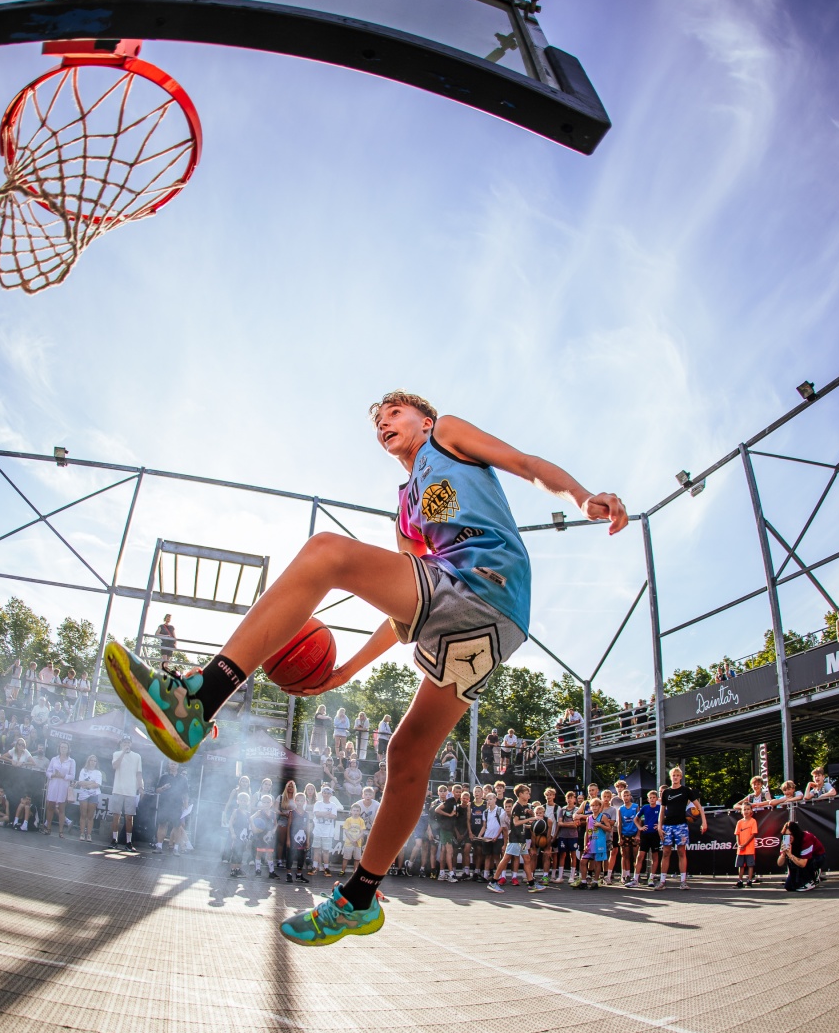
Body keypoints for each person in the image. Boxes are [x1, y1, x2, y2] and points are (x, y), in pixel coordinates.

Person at [104, 387, 626, 945]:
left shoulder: (448, 436)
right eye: (378, 421)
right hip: (481, 626)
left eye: (395, 413)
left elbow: (523, 463)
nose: (384, 424)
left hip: (486, 582)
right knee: (406, 755)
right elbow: (408, 611)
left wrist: (580, 496)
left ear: (425, 420)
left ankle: (201, 698)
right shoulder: (407, 513)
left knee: (327, 552)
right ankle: (359, 898)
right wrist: (347, 671)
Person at [656, 767, 706, 890]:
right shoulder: (666, 792)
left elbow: (699, 806)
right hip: (667, 826)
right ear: (671, 777)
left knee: (681, 852)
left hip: (681, 825)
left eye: (677, 775)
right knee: (666, 852)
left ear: (681, 777)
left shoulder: (686, 790)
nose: (675, 777)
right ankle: (662, 882)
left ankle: (683, 881)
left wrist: (704, 822)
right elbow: (662, 811)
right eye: (673, 775)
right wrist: (659, 826)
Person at [490, 783, 533, 890]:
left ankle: (532, 884)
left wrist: (532, 824)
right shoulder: (517, 807)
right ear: (520, 794)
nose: (529, 795)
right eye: (526, 793)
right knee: (506, 859)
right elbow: (516, 823)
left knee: (527, 859)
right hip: (515, 838)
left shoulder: (523, 807)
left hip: (521, 838)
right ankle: (493, 882)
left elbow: (522, 824)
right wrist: (530, 819)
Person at [109, 734, 143, 848]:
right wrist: (123, 752)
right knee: (116, 815)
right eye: (124, 742)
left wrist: (141, 787)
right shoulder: (116, 754)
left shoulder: (137, 756)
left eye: (128, 742)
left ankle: (128, 842)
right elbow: (115, 766)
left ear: (131, 744)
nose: (126, 744)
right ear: (121, 744)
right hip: (118, 789)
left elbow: (139, 773)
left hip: (131, 790)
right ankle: (114, 840)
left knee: (129, 817)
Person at [777, 822, 824, 892]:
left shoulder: (806, 838)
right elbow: (779, 863)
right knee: (789, 886)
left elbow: (803, 864)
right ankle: (805, 877)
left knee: (802, 880)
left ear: (796, 833)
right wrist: (783, 854)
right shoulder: (785, 841)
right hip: (799, 858)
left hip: (816, 857)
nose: (789, 837)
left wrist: (790, 855)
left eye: (791, 834)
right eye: (787, 835)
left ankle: (813, 876)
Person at [43, 740, 76, 836]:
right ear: (59, 748)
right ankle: (48, 828)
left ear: (68, 749)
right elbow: (48, 772)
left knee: (61, 809)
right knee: (50, 807)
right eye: (62, 747)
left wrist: (63, 776)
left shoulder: (71, 761)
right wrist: (53, 775)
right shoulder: (54, 759)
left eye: (65, 747)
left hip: (63, 787)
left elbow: (72, 776)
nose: (63, 749)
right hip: (53, 785)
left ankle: (61, 831)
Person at [154, 761, 188, 853]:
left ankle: (176, 848)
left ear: (178, 766)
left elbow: (185, 793)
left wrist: (186, 805)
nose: (173, 765)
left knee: (177, 826)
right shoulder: (164, 777)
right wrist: (163, 788)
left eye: (175, 764)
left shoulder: (183, 779)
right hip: (164, 804)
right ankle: (159, 847)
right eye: (171, 764)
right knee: (162, 824)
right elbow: (157, 790)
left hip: (177, 805)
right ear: (169, 765)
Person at [617, 789, 642, 886]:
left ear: (630, 796)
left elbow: (639, 820)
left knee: (636, 855)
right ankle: (627, 875)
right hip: (625, 834)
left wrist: (638, 834)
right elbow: (619, 823)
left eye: (627, 795)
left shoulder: (635, 807)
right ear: (622, 797)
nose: (626, 797)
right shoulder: (620, 809)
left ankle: (636, 875)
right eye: (624, 796)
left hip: (634, 833)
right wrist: (620, 837)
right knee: (626, 855)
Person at [75, 753, 103, 840]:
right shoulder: (83, 770)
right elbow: (80, 782)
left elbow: (97, 784)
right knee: (83, 814)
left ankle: (89, 834)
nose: (93, 762)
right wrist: (91, 782)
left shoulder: (98, 772)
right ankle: (82, 833)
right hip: (83, 795)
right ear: (88, 761)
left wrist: (87, 785)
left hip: (94, 794)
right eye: (91, 760)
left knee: (90, 816)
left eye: (95, 761)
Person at [734, 802, 758, 888]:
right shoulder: (739, 822)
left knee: (750, 865)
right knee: (740, 865)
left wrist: (745, 844)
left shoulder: (753, 821)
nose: (746, 811)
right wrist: (739, 844)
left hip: (749, 848)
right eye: (744, 809)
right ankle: (740, 881)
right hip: (741, 849)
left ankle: (749, 881)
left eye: (748, 809)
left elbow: (753, 834)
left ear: (751, 811)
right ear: (741, 811)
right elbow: (737, 834)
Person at [227, 791, 252, 876]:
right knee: (235, 853)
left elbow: (250, 826)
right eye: (241, 800)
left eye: (245, 801)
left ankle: (238, 869)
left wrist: (249, 837)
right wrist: (233, 833)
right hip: (237, 835)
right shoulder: (236, 811)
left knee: (241, 853)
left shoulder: (248, 814)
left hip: (244, 837)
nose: (243, 802)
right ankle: (233, 870)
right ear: (238, 801)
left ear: (248, 802)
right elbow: (230, 823)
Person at [251, 794, 276, 875]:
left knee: (270, 854)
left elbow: (276, 824)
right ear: (261, 803)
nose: (266, 804)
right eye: (264, 802)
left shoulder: (273, 814)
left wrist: (273, 830)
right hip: (260, 836)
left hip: (269, 837)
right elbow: (251, 818)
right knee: (259, 853)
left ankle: (271, 871)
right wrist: (254, 828)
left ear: (271, 803)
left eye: (268, 802)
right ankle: (258, 870)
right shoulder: (259, 812)